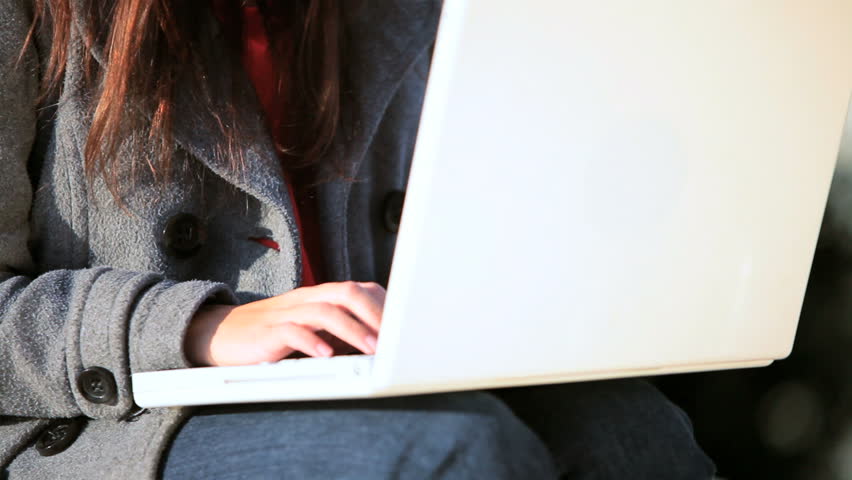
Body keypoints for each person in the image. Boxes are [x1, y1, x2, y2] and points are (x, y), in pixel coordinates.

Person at [0, 0, 717, 478]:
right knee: (448, 452)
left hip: (368, 378)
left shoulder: (407, 14)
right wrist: (195, 328)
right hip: (100, 423)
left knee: (635, 433)